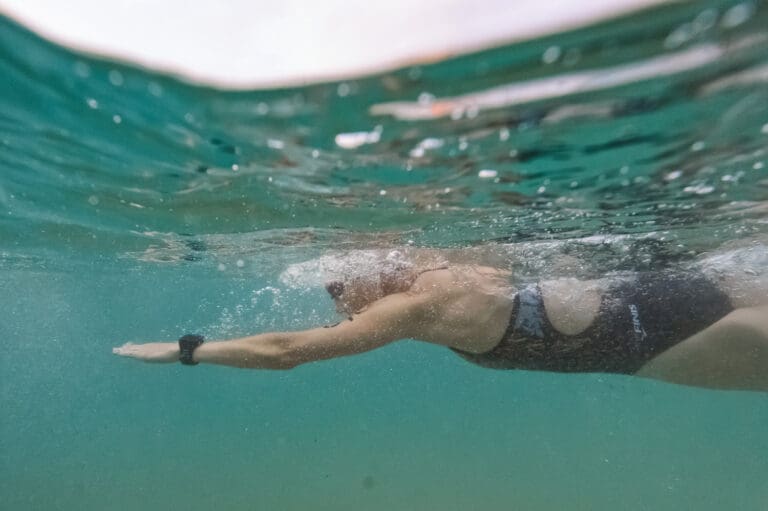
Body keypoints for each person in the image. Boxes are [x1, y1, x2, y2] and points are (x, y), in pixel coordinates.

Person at [113, 244, 768, 392]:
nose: (337, 298)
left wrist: (186, 349)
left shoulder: (423, 302)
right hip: (648, 351)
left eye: (340, 282)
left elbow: (287, 349)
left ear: (376, 263)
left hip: (678, 311)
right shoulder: (434, 266)